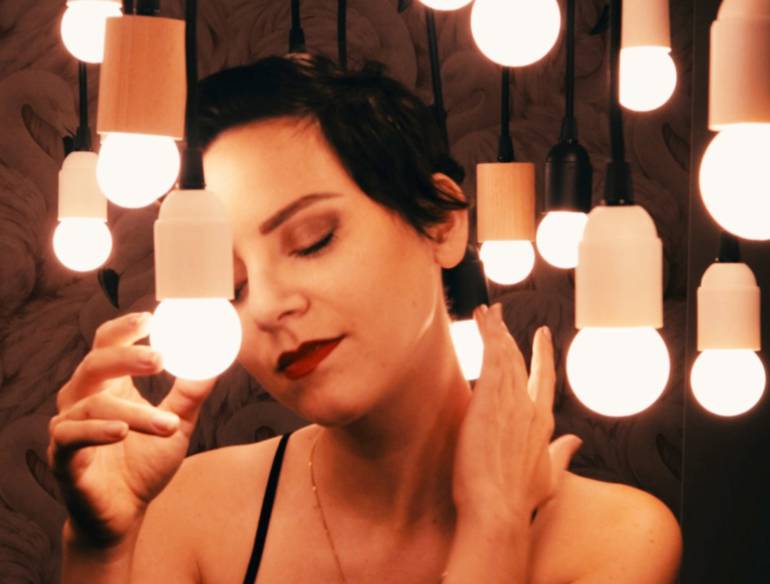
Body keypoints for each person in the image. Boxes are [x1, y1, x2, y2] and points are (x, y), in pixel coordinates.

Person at [48, 54, 682, 583]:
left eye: (313, 240)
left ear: (442, 224)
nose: (268, 306)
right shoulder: (188, 512)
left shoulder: (617, 539)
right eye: (229, 288)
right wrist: (99, 551)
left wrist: (495, 523)